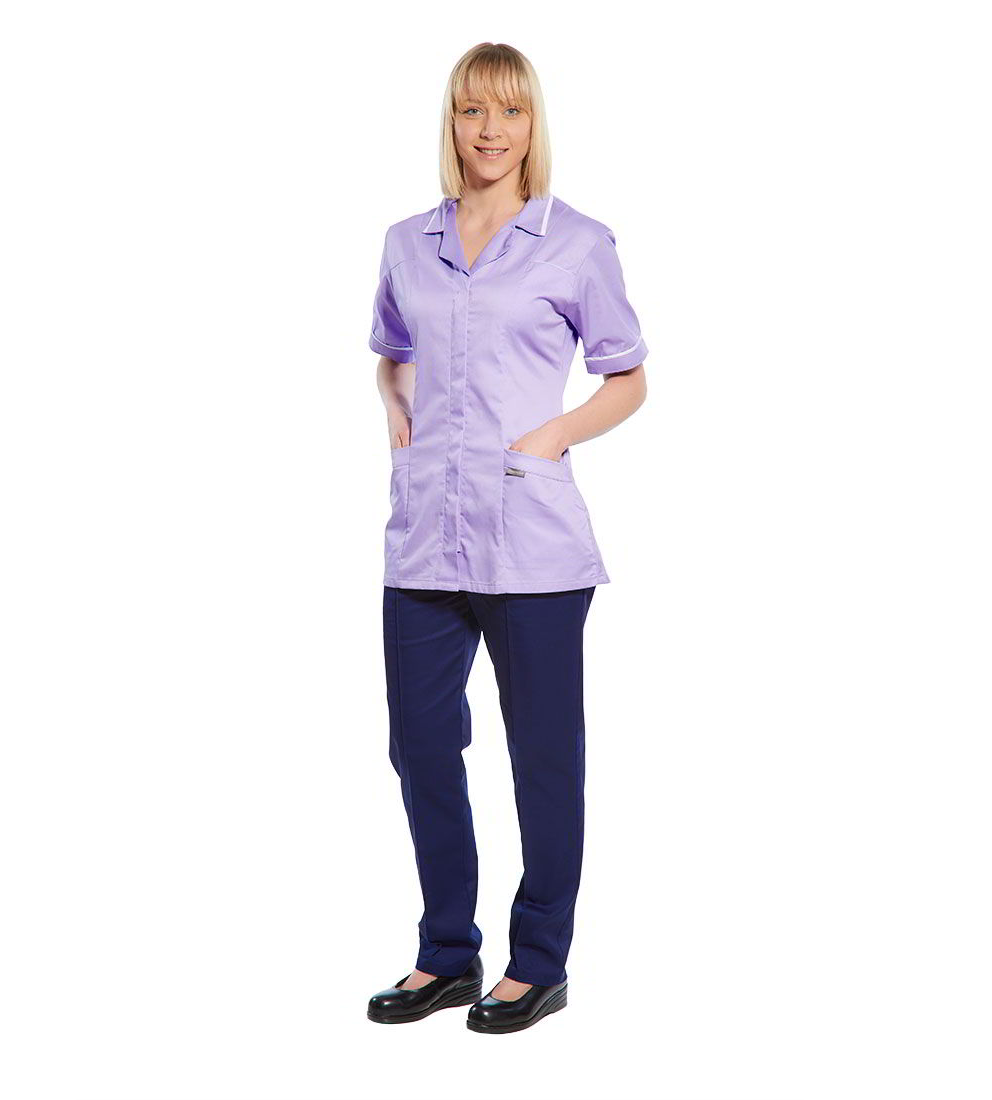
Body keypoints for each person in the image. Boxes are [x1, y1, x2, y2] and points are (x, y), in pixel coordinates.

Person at [366, 42, 649, 1035]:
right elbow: (391, 351)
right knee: (419, 746)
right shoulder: (407, 242)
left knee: (543, 758)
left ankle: (538, 963)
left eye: (510, 111)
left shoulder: (576, 243)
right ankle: (447, 952)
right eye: (472, 110)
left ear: (534, 124)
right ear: (450, 122)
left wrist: (551, 435)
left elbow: (627, 376)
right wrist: (396, 408)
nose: (490, 130)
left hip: (530, 542)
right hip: (423, 540)